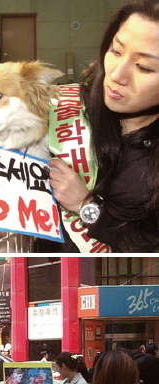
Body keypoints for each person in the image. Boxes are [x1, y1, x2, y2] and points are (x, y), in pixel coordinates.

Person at [47, 0, 159, 252]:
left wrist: (84, 204)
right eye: (116, 51)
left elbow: (145, 246)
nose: (117, 75)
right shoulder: (71, 106)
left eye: (143, 67)